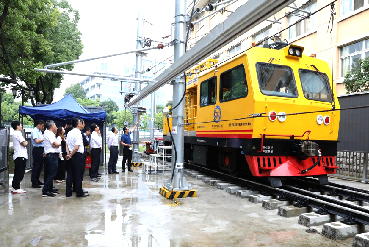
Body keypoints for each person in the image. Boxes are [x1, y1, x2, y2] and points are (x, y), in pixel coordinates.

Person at [65, 118, 87, 197]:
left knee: (70, 174)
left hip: (71, 154)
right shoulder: (78, 133)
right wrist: (71, 155)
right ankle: (79, 192)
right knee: (78, 174)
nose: (82, 124)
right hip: (77, 155)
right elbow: (77, 147)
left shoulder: (69, 132)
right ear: (78, 124)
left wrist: (68, 154)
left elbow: (66, 145)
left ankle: (68, 192)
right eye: (81, 123)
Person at [42, 120, 61, 197]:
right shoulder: (49, 133)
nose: (56, 127)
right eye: (55, 125)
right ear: (52, 126)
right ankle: (45, 190)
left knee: (49, 173)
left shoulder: (50, 133)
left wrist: (56, 145)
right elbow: (55, 144)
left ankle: (50, 188)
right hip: (52, 155)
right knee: (52, 173)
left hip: (51, 155)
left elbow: (55, 145)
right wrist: (60, 142)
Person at [11, 121, 28, 194]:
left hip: (20, 155)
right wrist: (26, 142)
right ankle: (16, 187)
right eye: (20, 125)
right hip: (20, 155)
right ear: (17, 126)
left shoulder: (16, 133)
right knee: (19, 172)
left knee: (19, 172)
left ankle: (16, 187)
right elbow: (24, 143)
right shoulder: (18, 133)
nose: (21, 126)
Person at [31, 119, 45, 188]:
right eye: (42, 126)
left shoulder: (39, 131)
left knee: (40, 166)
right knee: (36, 166)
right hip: (37, 149)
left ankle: (37, 179)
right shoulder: (35, 131)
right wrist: (44, 139)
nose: (43, 127)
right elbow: (36, 141)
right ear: (38, 125)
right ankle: (34, 181)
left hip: (41, 149)